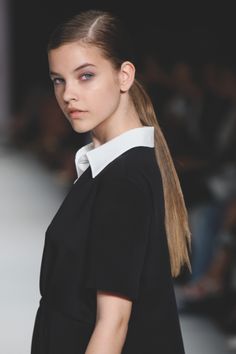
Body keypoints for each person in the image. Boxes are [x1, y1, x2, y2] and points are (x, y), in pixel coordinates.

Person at [30, 9, 191, 354]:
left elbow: (113, 322)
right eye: (58, 80)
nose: (68, 94)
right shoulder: (114, 167)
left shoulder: (124, 180)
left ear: (124, 76)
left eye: (85, 76)